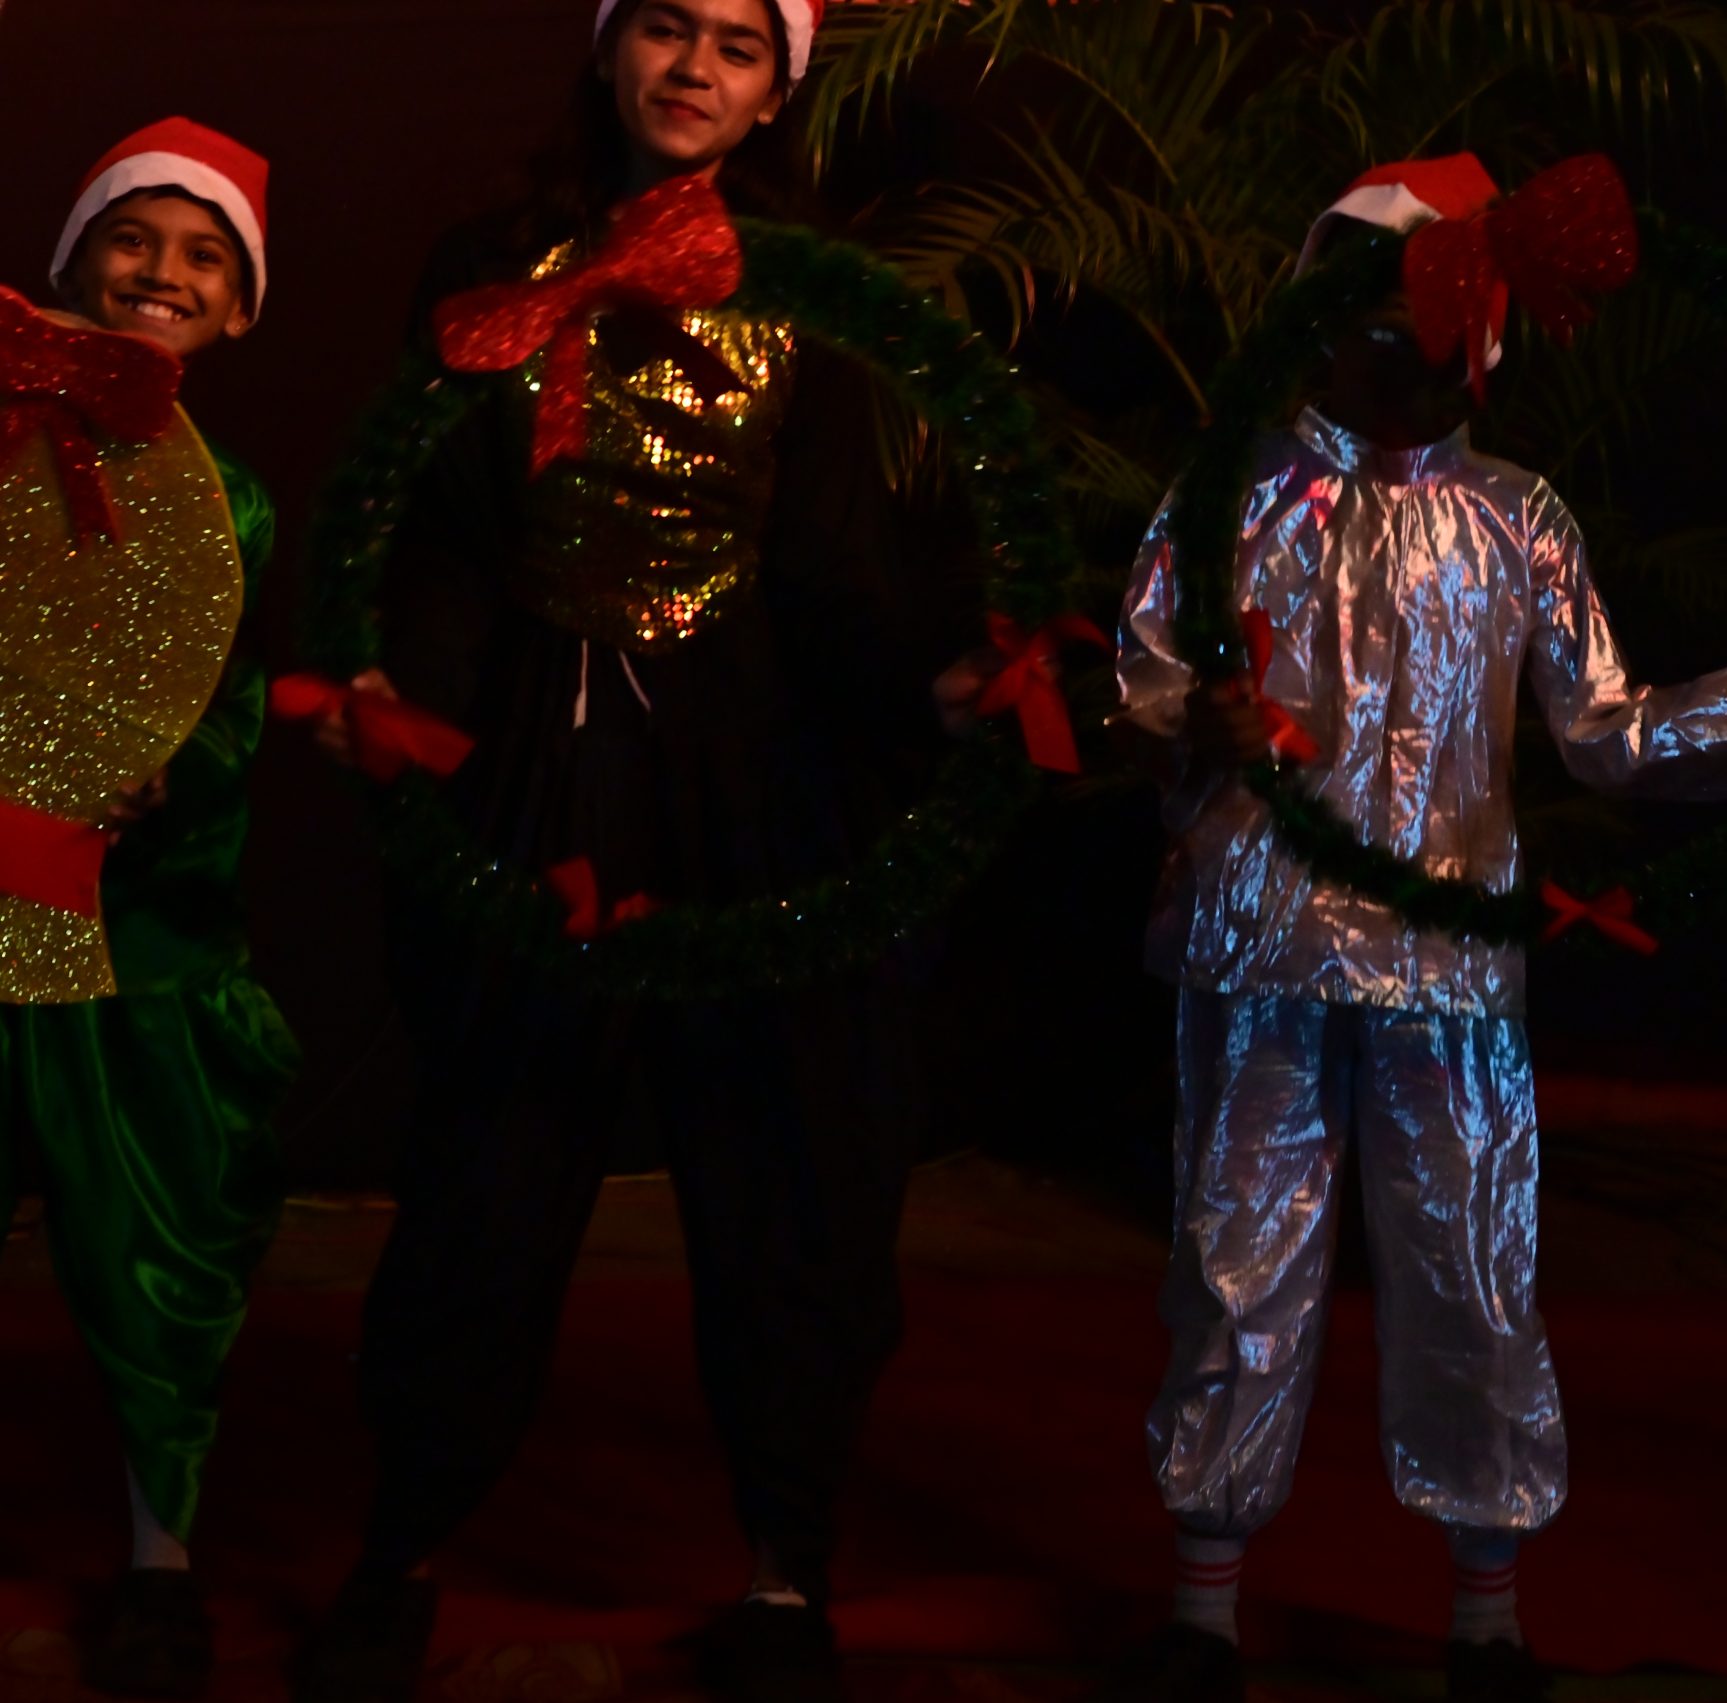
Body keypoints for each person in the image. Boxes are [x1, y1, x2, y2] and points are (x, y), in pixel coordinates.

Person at [1100, 153, 1727, 1703]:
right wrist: (1191, 720)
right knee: (1234, 1262)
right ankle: (1202, 1614)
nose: (1401, 360)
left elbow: (1609, 731)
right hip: (1259, 945)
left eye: (1432, 332)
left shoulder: (1516, 517)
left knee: (1473, 1267)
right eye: (1373, 326)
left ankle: (1489, 1623)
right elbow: (1138, 685)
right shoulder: (1230, 496)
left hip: (1451, 966)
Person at [288, 5, 961, 1701]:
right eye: (666, 26)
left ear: (776, 89)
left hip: (748, 758)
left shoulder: (815, 292)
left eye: (737, 45)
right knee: (488, 1161)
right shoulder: (492, 260)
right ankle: (402, 1546)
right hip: (540, 737)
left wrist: (942, 684)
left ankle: (785, 1575)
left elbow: (839, 563)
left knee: (785, 1168)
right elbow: (440, 532)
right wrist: (401, 691)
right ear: (607, 52)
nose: (694, 68)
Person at [0, 116, 298, 1698]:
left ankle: (157, 1560)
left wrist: (168, 772)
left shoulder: (230, 502)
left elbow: (225, 709)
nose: (161, 273)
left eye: (203, 256)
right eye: (134, 238)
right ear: (73, 262)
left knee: (154, 1255)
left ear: (238, 308)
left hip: (134, 935)